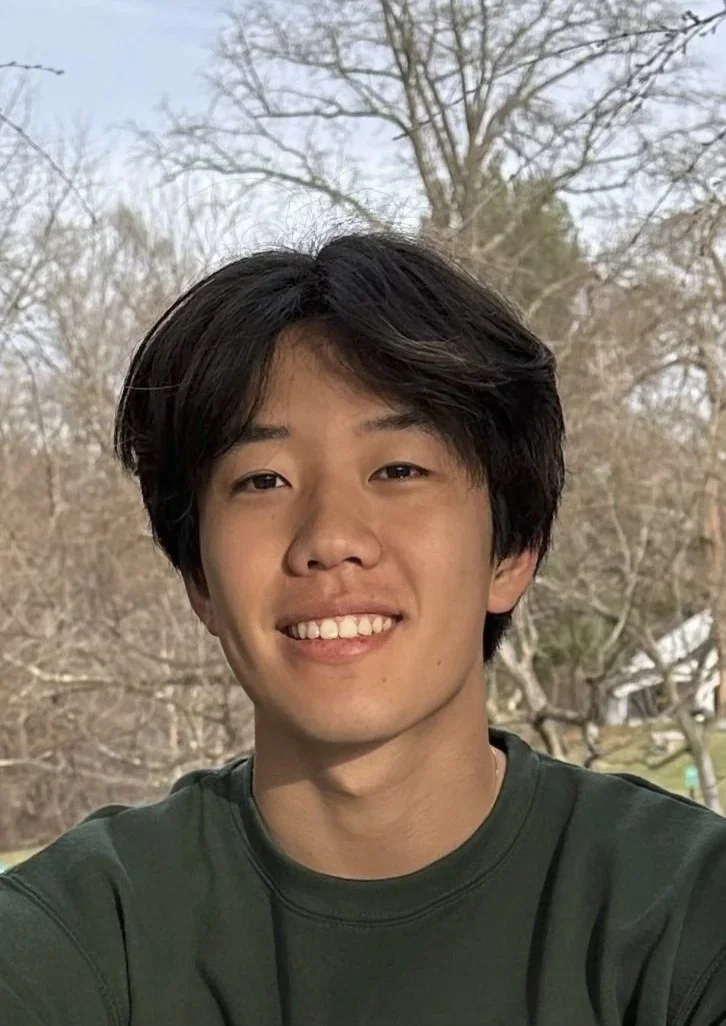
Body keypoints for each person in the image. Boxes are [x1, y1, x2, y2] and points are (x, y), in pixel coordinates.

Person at [1, 231, 724, 1026]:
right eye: (263, 480)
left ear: (512, 550)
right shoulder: (82, 937)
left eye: (398, 470)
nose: (330, 538)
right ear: (198, 578)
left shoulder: (682, 914)